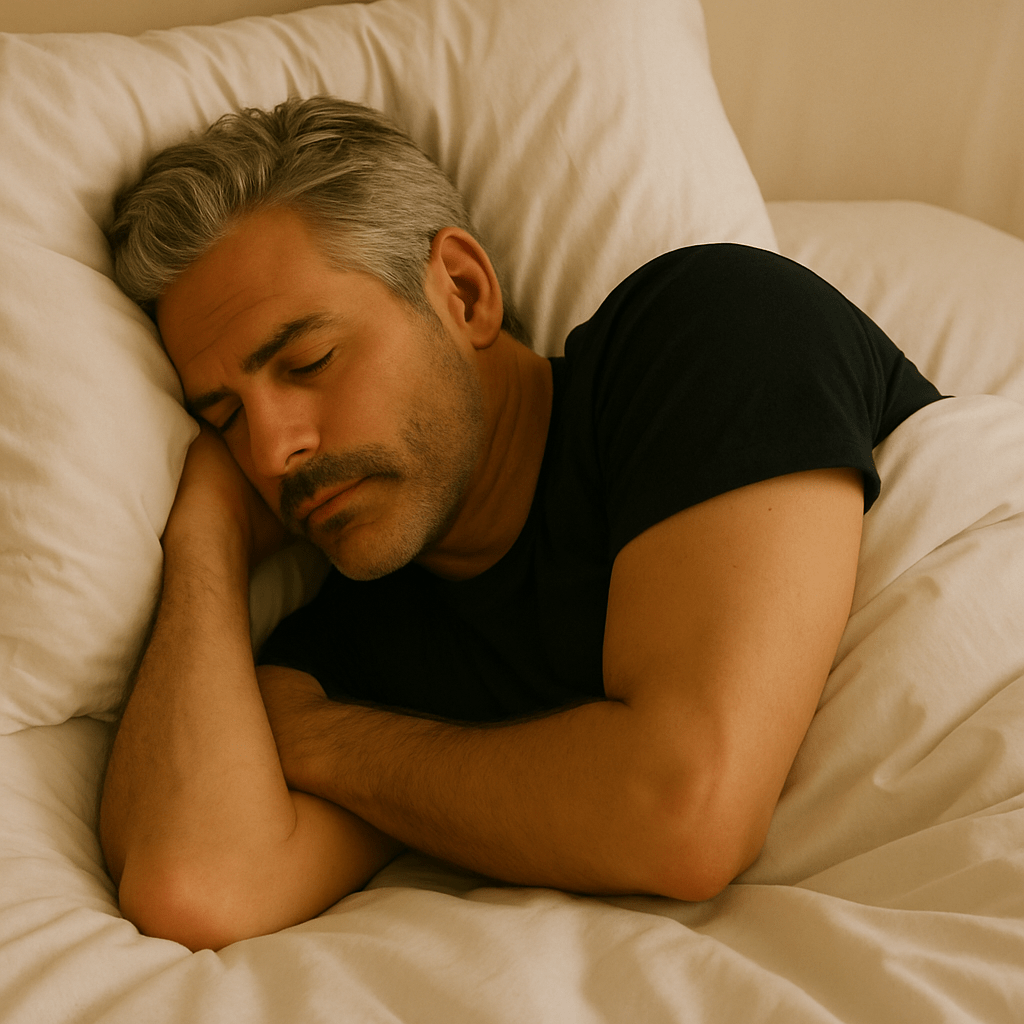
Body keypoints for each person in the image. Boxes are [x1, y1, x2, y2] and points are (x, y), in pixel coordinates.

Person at [99, 96, 943, 952]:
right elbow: (198, 886)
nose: (275, 449)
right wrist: (206, 530)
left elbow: (686, 815)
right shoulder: (358, 649)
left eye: (307, 361)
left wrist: (322, 741)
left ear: (462, 292)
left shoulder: (707, 330)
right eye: (224, 417)